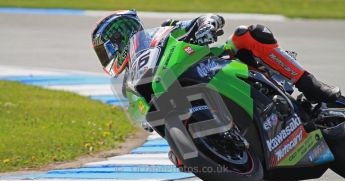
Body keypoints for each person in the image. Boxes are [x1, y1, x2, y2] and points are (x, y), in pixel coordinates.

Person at [91, 10, 340, 103]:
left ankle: (312, 85)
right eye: (105, 52)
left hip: (217, 64)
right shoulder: (131, 87)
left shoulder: (164, 32)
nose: (110, 54)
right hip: (191, 107)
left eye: (109, 47)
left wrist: (206, 26)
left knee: (248, 34)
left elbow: (209, 18)